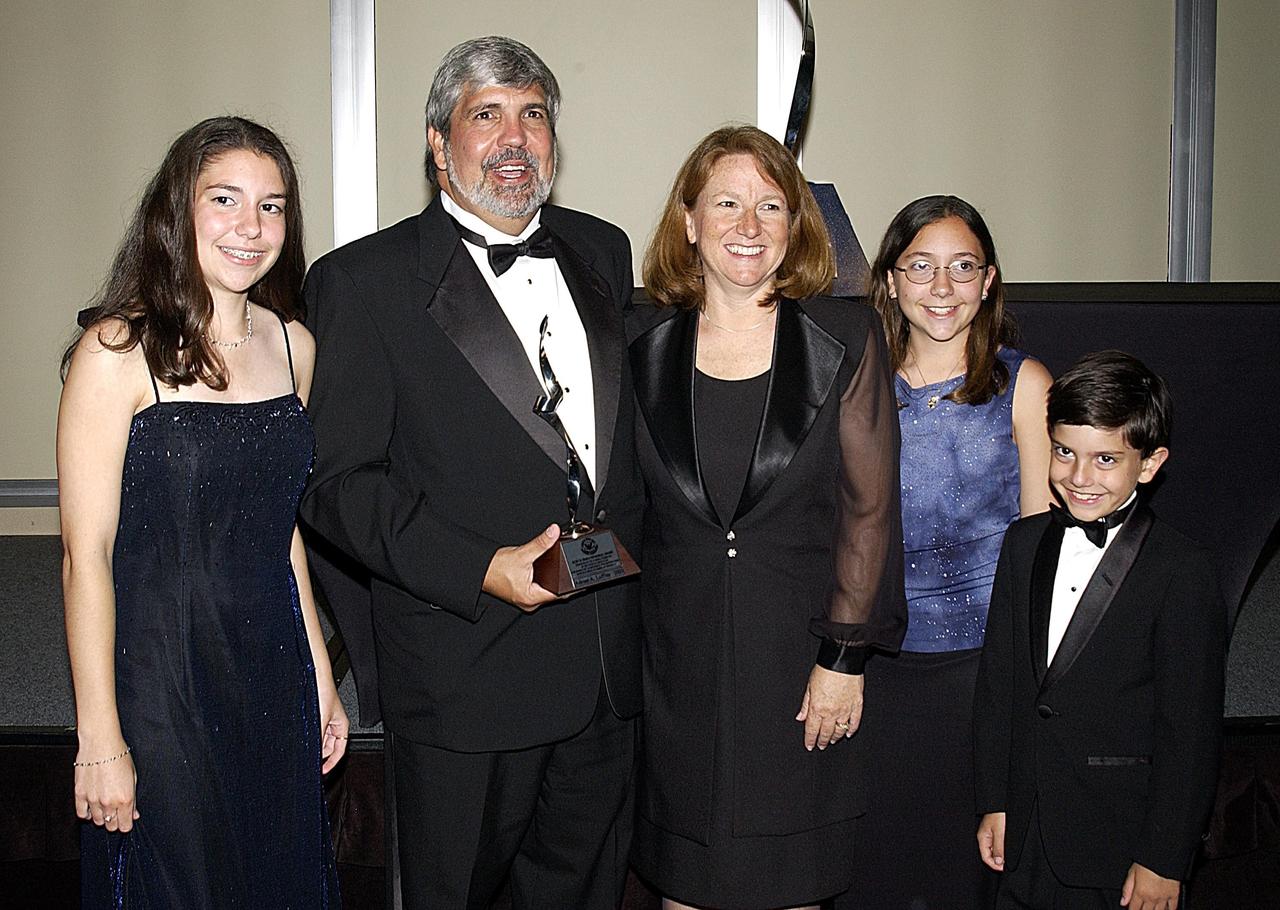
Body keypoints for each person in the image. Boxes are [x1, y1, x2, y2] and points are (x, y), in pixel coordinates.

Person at [299, 36, 643, 910]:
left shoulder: (603, 251)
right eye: (485, 115)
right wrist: (478, 566)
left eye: (533, 114)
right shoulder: (362, 283)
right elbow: (339, 485)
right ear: (436, 141)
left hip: (606, 673)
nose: (514, 138)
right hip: (467, 678)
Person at [58, 116, 347, 908]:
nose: (251, 228)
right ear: (176, 212)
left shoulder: (295, 347)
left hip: (270, 665)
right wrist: (99, 737)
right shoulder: (117, 351)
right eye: (225, 199)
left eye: (273, 206)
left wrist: (320, 674)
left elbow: (279, 522)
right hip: (160, 679)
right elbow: (86, 554)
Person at [627, 124, 906, 910]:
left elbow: (872, 510)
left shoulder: (844, 338)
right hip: (676, 674)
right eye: (727, 203)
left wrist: (844, 660)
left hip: (800, 675)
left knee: (792, 892)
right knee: (684, 890)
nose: (748, 226)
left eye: (771, 206)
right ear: (689, 221)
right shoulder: (638, 341)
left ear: (795, 226)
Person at [843, 195, 1052, 908]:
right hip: (877, 668)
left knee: (965, 873)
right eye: (921, 267)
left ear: (988, 281)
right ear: (891, 280)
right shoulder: (855, 384)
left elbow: (1042, 552)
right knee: (873, 867)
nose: (941, 288)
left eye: (962, 268)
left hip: (982, 675)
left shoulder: (1025, 386)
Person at [974, 350, 1225, 909]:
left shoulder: (1182, 570)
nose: (1078, 478)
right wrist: (995, 798)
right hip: (1025, 825)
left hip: (1119, 839)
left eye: (1105, 460)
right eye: (1064, 452)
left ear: (1151, 463)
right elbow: (1001, 685)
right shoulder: (1024, 543)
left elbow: (1190, 730)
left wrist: (1165, 856)